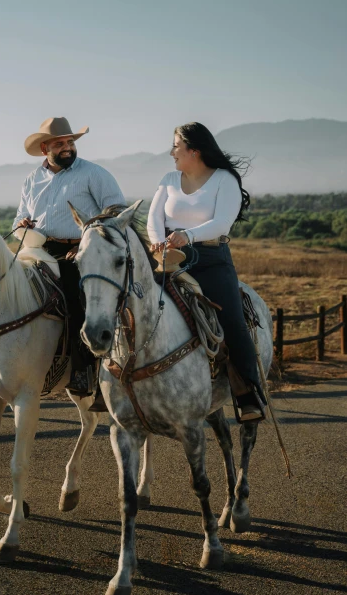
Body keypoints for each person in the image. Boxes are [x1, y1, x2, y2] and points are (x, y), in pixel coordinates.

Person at [147, 121, 266, 421]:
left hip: (210, 256)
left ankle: (247, 393)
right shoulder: (168, 178)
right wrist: (158, 242)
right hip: (167, 257)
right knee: (128, 301)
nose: (171, 152)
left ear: (194, 151)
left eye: (176, 146)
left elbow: (222, 223)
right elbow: (153, 218)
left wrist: (187, 235)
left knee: (233, 321)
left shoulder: (224, 180)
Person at [14, 116, 126, 397]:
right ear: (44, 149)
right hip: (39, 248)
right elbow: (19, 217)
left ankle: (83, 370)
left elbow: (115, 213)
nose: (67, 148)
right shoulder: (31, 179)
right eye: (60, 143)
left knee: (76, 300)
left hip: (82, 250)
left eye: (70, 142)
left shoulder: (94, 174)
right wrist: (23, 224)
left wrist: (88, 245)